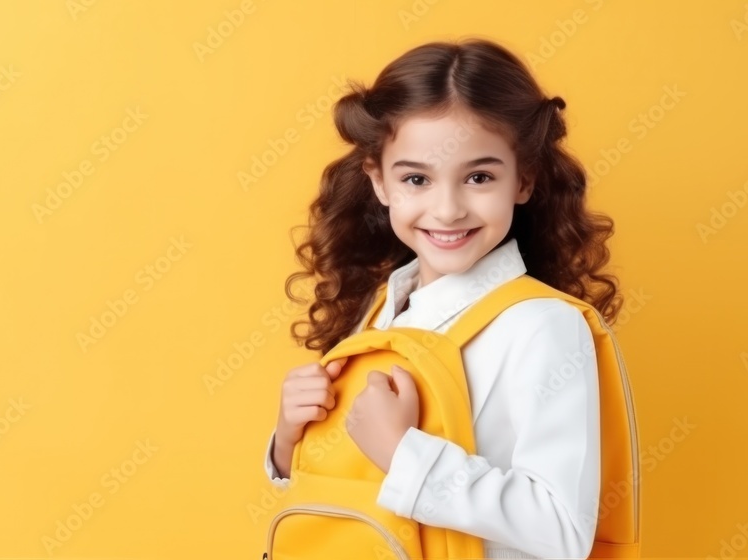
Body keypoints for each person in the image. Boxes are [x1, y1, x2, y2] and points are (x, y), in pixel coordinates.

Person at [263, 37, 623, 559]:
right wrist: (286, 439)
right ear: (380, 182)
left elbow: (563, 531)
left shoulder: (543, 325)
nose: (448, 209)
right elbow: (351, 501)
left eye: (479, 177)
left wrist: (405, 453)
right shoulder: (381, 308)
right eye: (416, 178)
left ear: (523, 179)